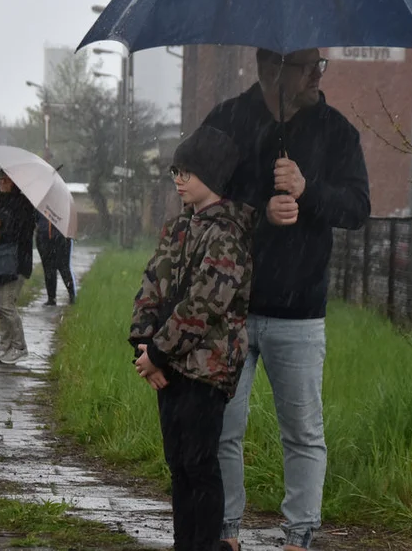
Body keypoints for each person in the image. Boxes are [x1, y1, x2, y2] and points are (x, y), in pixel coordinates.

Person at [204, 47, 371, 551]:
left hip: (300, 311)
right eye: (305, 64)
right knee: (222, 429)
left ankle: (300, 536)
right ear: (268, 65)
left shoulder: (337, 132)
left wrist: (307, 189)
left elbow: (358, 208)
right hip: (230, 305)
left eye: (319, 64)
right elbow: (198, 194)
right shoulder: (228, 120)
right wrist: (259, 209)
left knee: (301, 431)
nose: (317, 73)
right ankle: (225, 531)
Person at [129, 125, 254, 551]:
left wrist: (160, 352)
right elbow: (151, 285)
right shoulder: (177, 229)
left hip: (206, 368)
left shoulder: (228, 235)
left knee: (200, 464)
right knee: (178, 465)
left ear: (213, 176)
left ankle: (205, 544)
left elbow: (204, 305)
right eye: (175, 171)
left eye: (187, 172)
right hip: (168, 367)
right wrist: (143, 346)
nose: (178, 180)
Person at [0, 169, 37, 365]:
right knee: (0, 308)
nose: (2, 182)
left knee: (7, 305)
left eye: (6, 179)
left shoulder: (24, 205)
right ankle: (4, 347)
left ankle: (20, 347)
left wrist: (0, 235)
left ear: (15, 182)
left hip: (17, 263)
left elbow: (23, 233)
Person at [35, 210, 76, 306]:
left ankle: (72, 295)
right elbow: (35, 219)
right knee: (48, 268)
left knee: (63, 267)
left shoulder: (62, 206)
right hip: (43, 238)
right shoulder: (40, 206)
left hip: (61, 238)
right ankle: (51, 298)